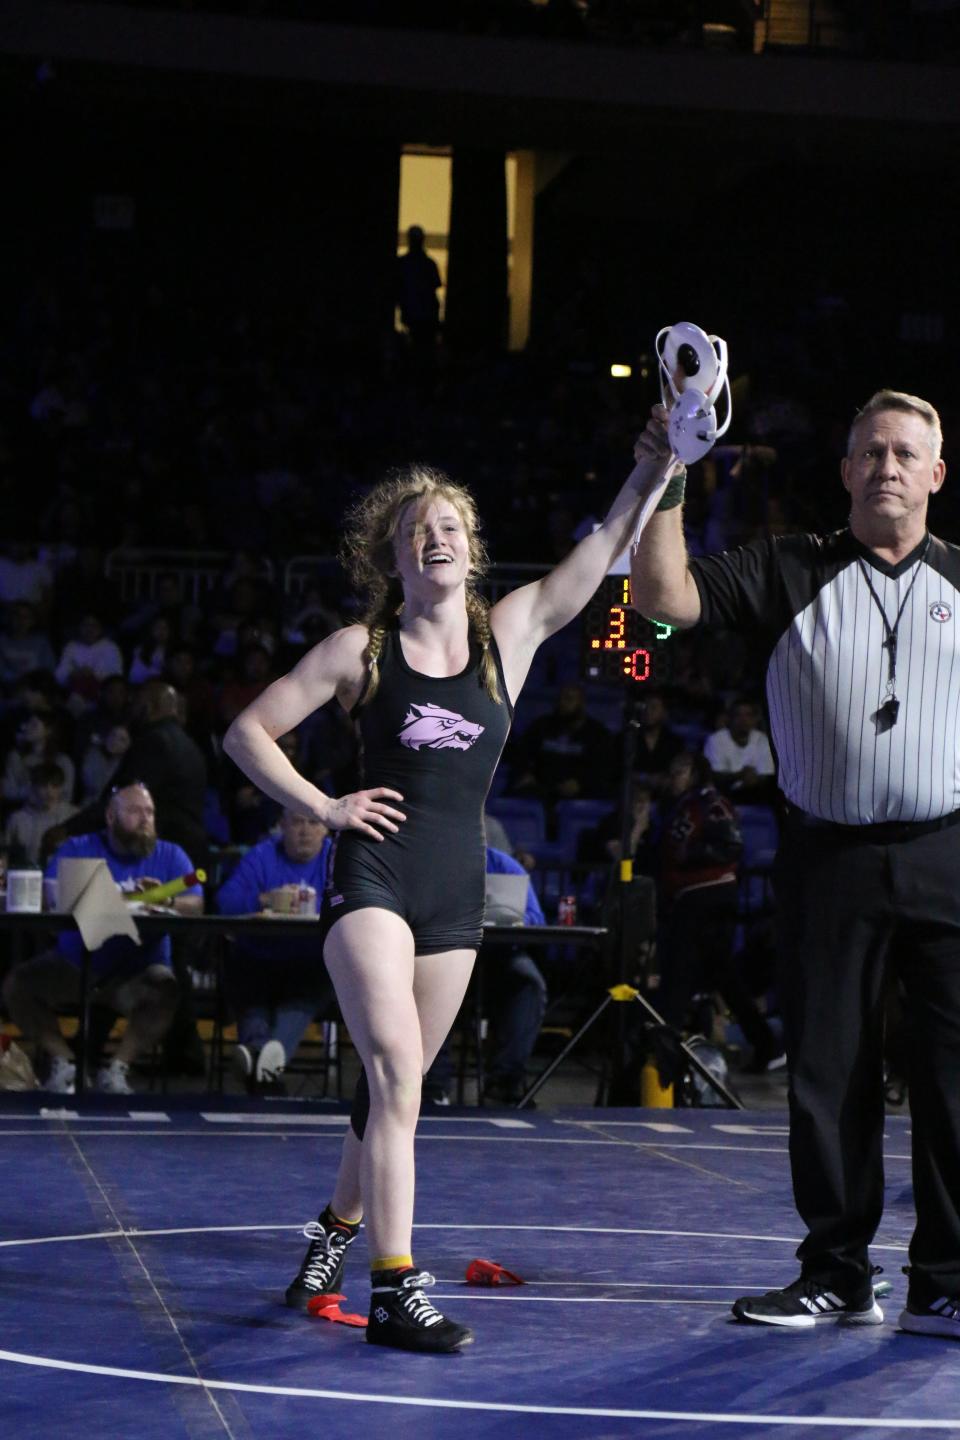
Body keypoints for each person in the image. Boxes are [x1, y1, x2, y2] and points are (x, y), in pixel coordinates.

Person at [223, 428, 675, 1353]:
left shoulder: (507, 634)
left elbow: (602, 548)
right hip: (374, 878)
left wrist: (663, 458)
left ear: (472, 549)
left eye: (451, 525)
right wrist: (326, 803)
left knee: (399, 1088)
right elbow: (246, 733)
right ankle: (395, 1288)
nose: (435, 536)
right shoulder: (361, 648)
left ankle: (332, 1234)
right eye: (415, 529)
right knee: (393, 1069)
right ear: (392, 556)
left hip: (455, 895)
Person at [630, 389, 960, 1339]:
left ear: (937, 475)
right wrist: (669, 475)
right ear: (846, 470)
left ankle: (948, 1278)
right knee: (829, 1071)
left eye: (906, 454)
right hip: (828, 858)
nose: (888, 467)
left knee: (952, 1075)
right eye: (871, 452)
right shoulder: (787, 569)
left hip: (947, 854)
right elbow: (661, 602)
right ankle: (838, 1273)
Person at [2, 782, 202, 1095]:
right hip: (74, 965)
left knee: (167, 987)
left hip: (138, 972)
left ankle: (117, 1071)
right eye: (135, 811)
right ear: (111, 817)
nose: (146, 819)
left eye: (150, 812)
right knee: (18, 985)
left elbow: (196, 903)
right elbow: (52, 894)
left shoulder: (171, 855)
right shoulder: (77, 848)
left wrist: (166, 901)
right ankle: (66, 1064)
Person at [654, 750, 783, 1078]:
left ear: (696, 772)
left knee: (678, 976)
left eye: (679, 769)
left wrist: (688, 855)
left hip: (706, 898)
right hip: (690, 899)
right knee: (723, 978)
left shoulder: (710, 802)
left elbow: (731, 844)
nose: (673, 776)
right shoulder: (680, 804)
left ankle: (662, 1058)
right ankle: (767, 1045)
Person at [216, 808, 334, 1094]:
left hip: (311, 962)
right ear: (282, 826)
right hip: (258, 958)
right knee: (247, 984)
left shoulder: (337, 858)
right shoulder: (262, 855)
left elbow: (354, 903)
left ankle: (258, 1056)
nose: (304, 830)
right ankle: (268, 1064)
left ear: (325, 830)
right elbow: (225, 902)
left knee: (305, 990)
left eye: (312, 822)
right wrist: (263, 900)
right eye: (296, 821)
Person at [480, 844, 547, 1104]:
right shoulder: (435, 860)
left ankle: (505, 1079)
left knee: (529, 982)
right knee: (428, 977)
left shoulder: (503, 865)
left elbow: (535, 917)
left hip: (500, 954)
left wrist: (510, 919)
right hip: (445, 948)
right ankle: (432, 1083)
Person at [4, 761, 76, 866]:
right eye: (43, 785)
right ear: (33, 786)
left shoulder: (72, 815)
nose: (49, 791)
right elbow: (5, 855)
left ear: (61, 788)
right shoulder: (17, 819)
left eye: (54, 786)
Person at [702, 697, 775, 799]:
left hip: (756, 797)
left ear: (755, 719)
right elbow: (714, 777)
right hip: (722, 797)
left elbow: (767, 775)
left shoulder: (762, 739)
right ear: (729, 718)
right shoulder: (715, 740)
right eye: (738, 715)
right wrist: (739, 775)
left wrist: (754, 779)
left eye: (748, 715)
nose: (743, 720)